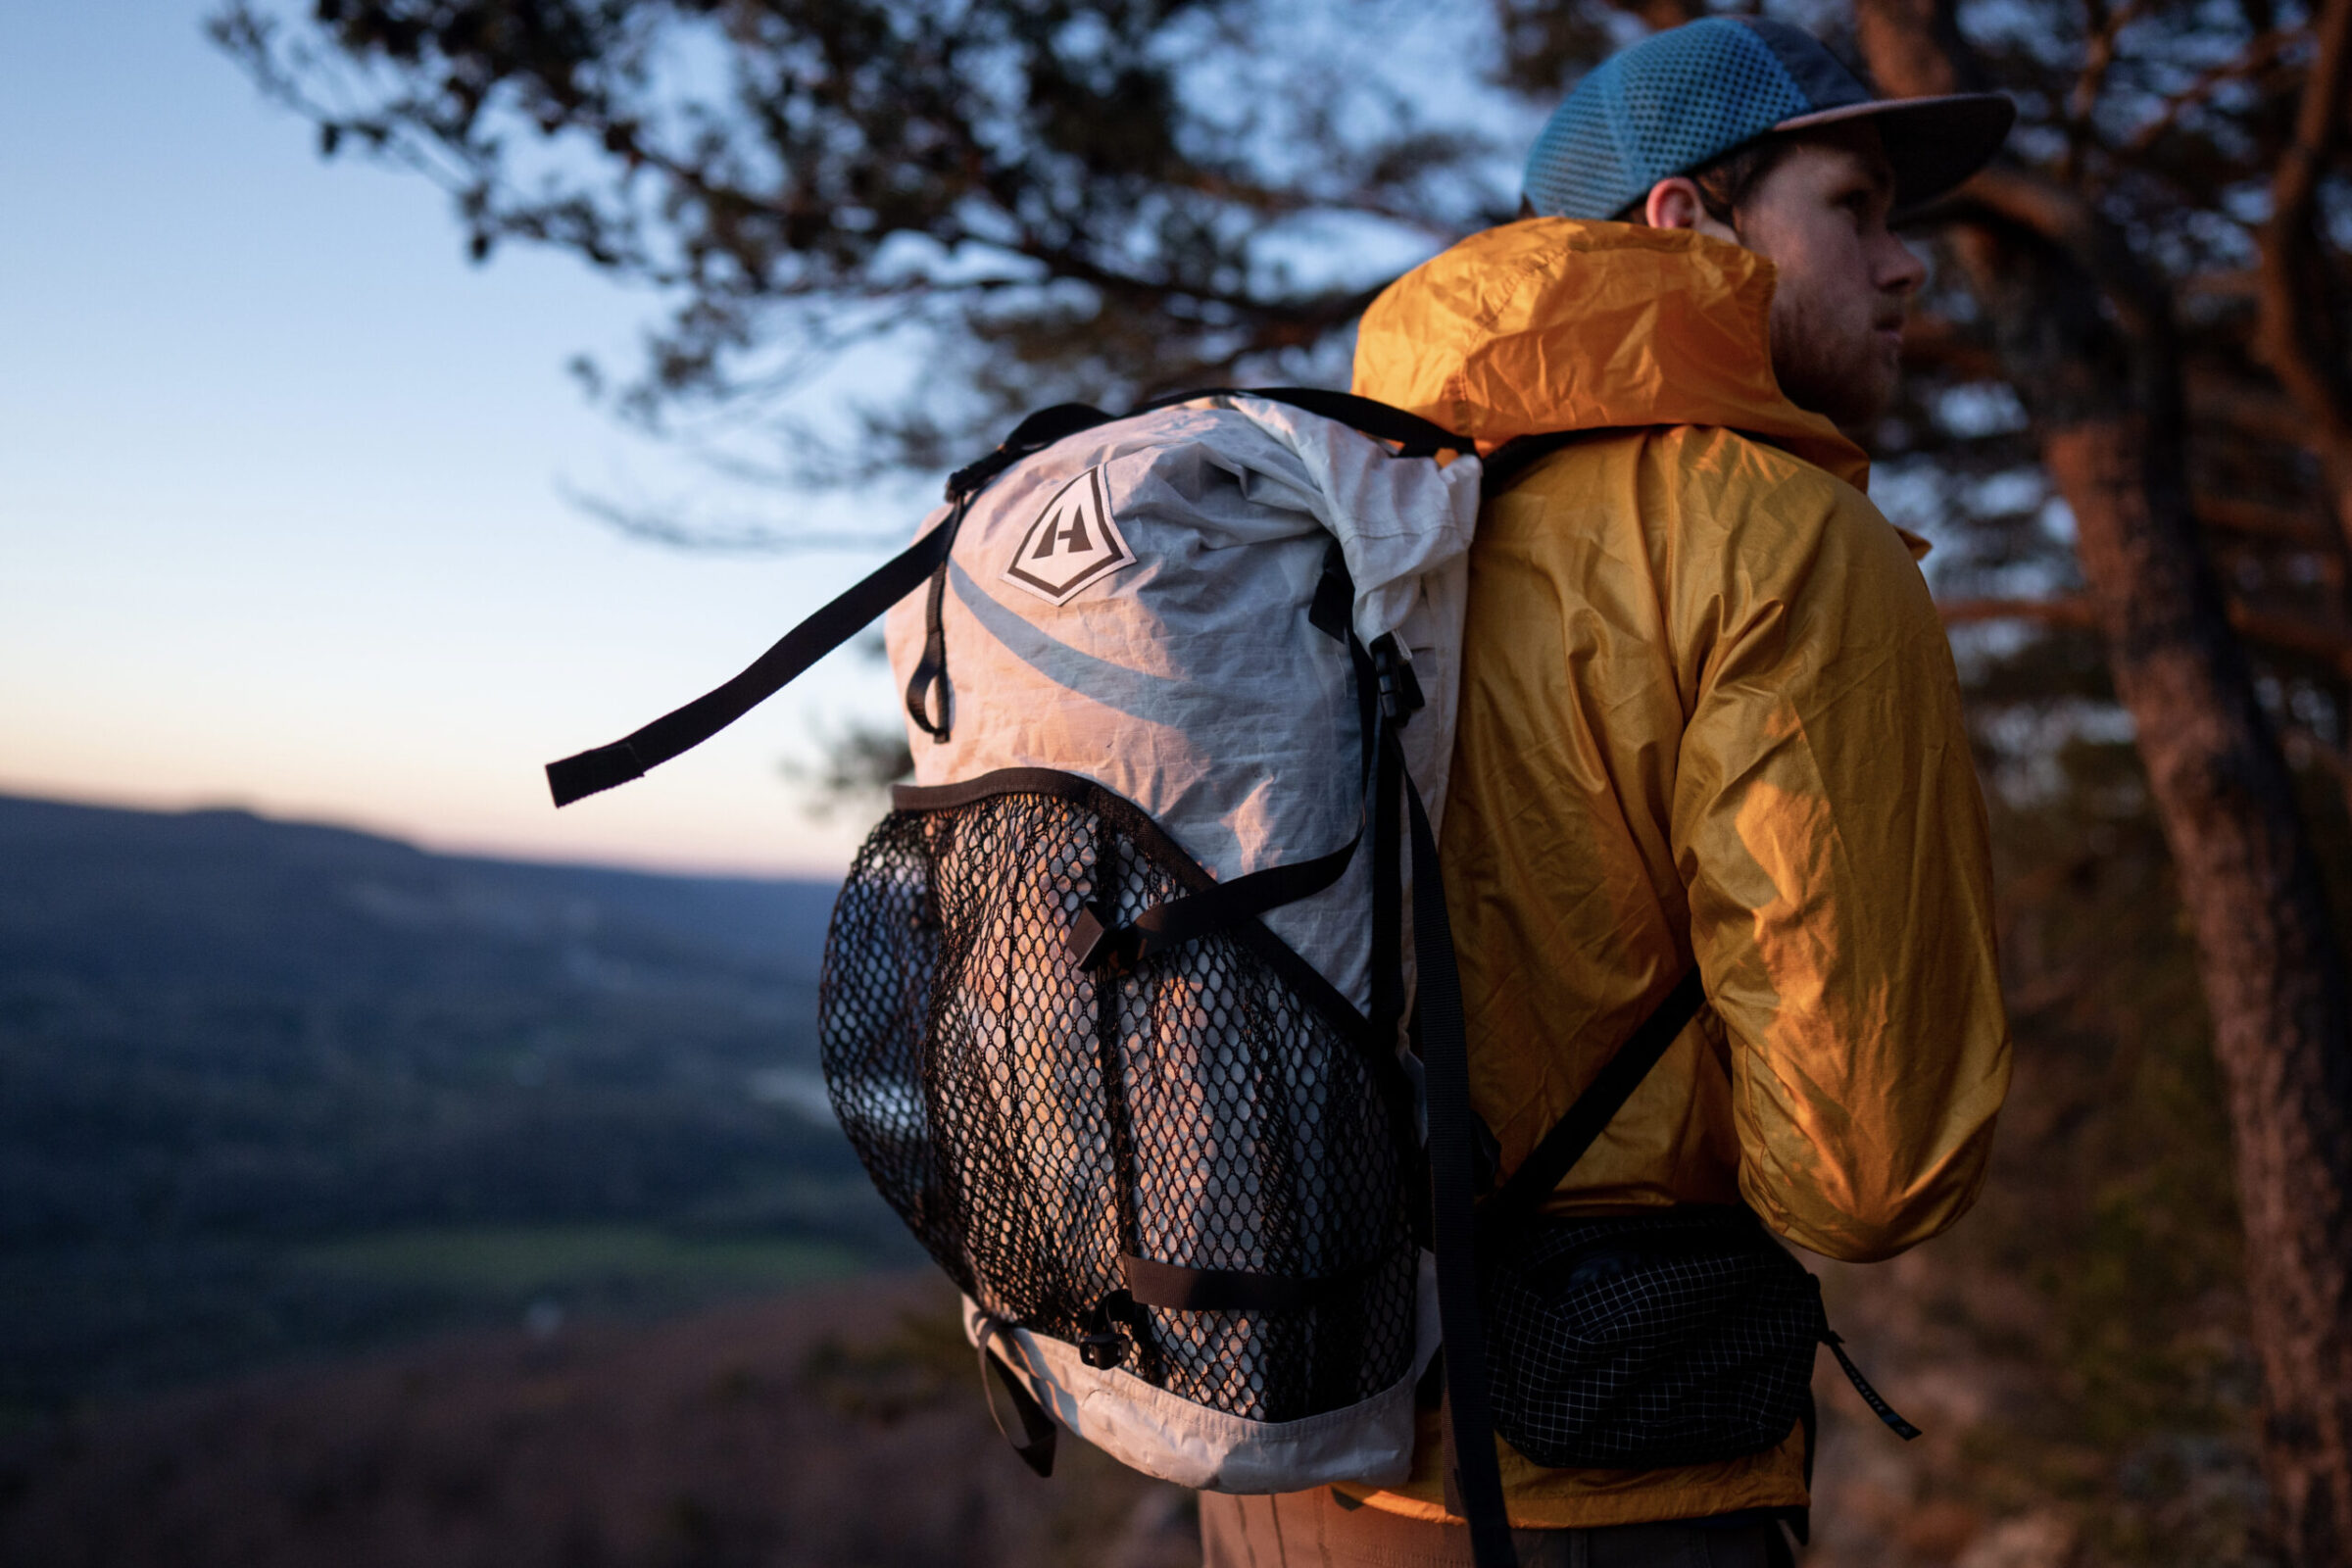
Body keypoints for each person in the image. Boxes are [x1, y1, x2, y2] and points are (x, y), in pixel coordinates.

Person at [1200, 17, 2017, 1568]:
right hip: (1603, 1479)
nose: (1907, 269)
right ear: (1683, 221)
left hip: (1281, 1465)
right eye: (1854, 209)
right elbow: (1866, 1167)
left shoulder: (1364, 521)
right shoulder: (1779, 541)